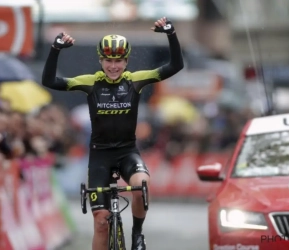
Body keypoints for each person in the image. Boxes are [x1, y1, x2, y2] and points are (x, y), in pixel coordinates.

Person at [42, 16, 184, 250]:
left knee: (142, 186)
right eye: (108, 60)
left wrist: (171, 34)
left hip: (128, 152)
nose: (114, 66)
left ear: (126, 61)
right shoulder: (90, 83)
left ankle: (137, 233)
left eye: (119, 60)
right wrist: (56, 49)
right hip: (100, 157)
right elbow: (49, 80)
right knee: (101, 223)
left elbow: (175, 66)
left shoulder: (136, 81)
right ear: (101, 59)